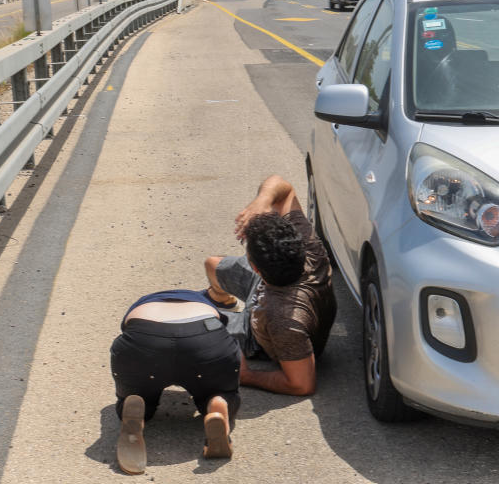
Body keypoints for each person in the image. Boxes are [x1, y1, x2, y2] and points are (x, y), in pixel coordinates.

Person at [204, 174, 336, 396]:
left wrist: (246, 376)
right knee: (212, 264)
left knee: (198, 324)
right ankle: (222, 299)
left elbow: (301, 384)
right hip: (268, 288)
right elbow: (284, 189)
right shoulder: (309, 248)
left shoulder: (284, 321)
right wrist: (262, 202)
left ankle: (222, 312)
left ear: (255, 267)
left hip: (258, 334)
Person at [110, 290, 241, 475]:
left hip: (144, 339)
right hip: (205, 340)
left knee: (137, 388)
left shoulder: (143, 302)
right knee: (220, 390)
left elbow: (126, 329)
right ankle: (218, 404)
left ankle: (137, 406)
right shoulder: (204, 303)